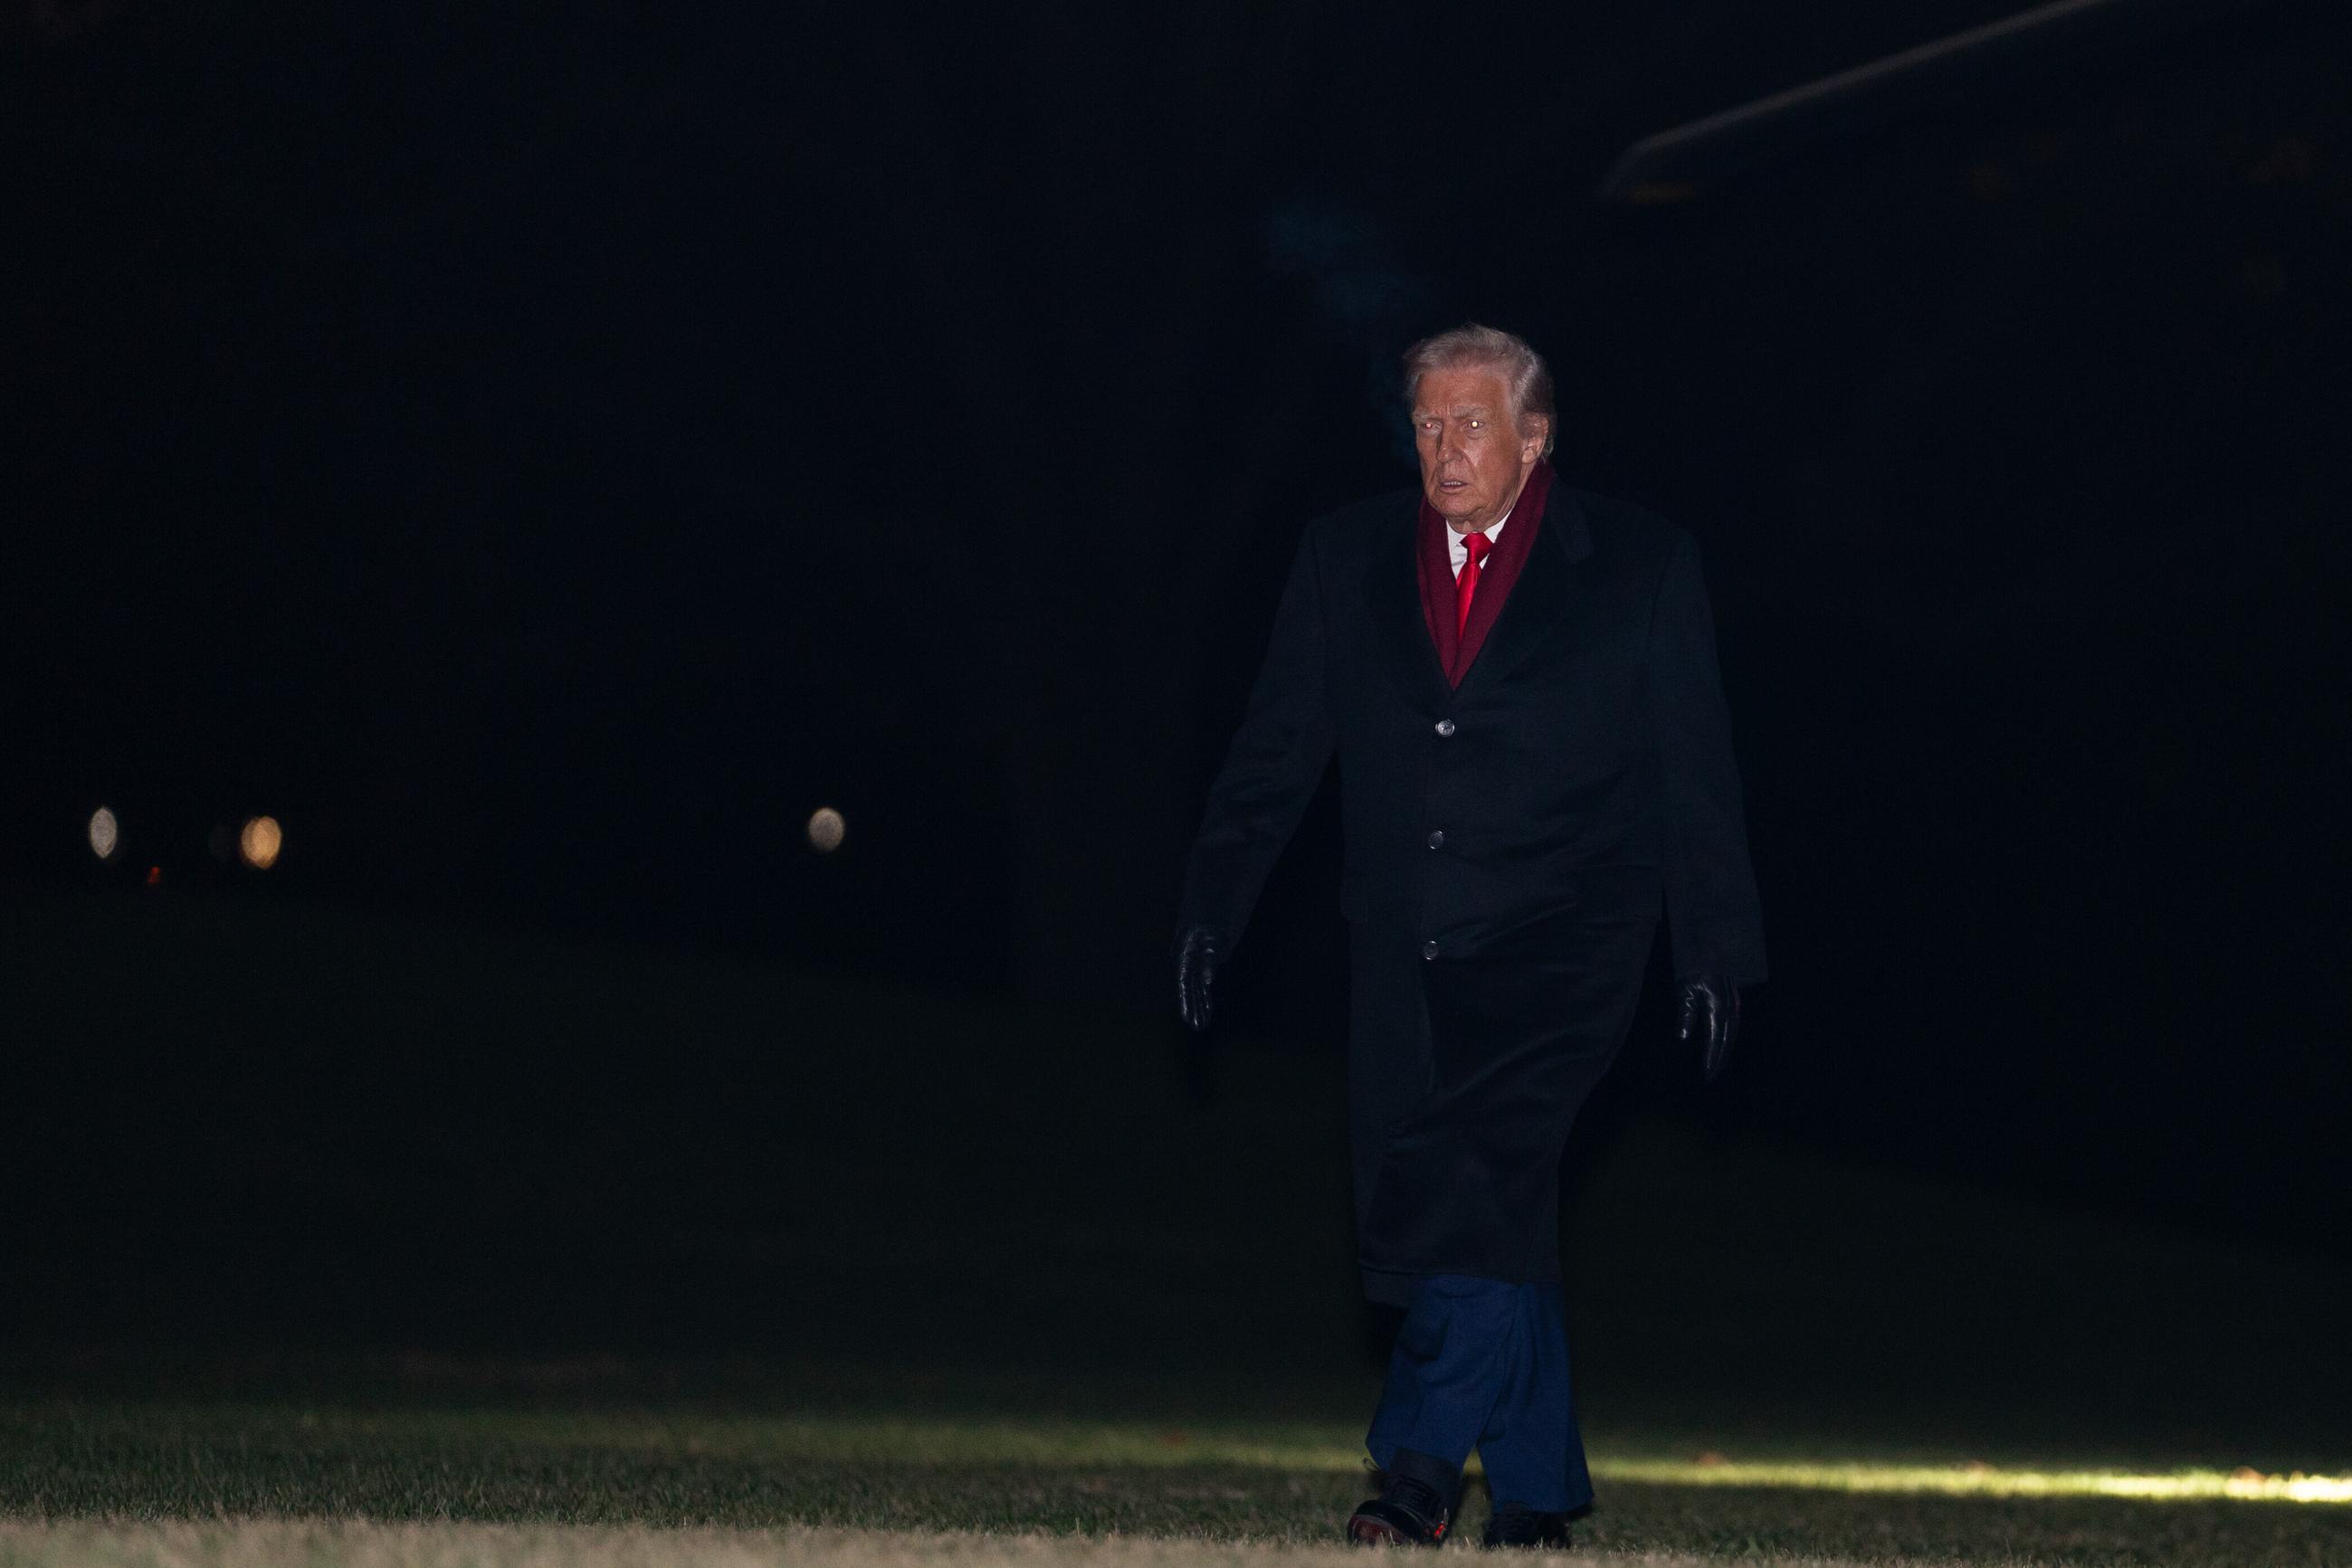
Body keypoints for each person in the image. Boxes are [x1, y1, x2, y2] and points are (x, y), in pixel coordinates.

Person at [1175, 323, 1766, 1548]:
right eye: (1427, 425)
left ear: (1535, 436)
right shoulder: (1346, 556)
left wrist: (1714, 946)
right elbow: (1275, 753)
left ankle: (1419, 1465)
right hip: (1406, 940)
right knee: (1485, 1205)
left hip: (1571, 939)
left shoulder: (1642, 563)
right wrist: (1212, 907)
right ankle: (1537, 1494)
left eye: (1473, 423)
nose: (1445, 449)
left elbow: (1695, 772)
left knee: (1478, 1170)